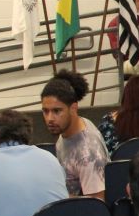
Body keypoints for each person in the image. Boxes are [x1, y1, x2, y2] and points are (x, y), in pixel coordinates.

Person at [40, 70, 108, 200]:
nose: (50, 118)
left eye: (56, 111)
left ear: (73, 108)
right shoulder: (69, 127)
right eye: (45, 111)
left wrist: (51, 196)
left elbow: (96, 205)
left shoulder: (88, 153)